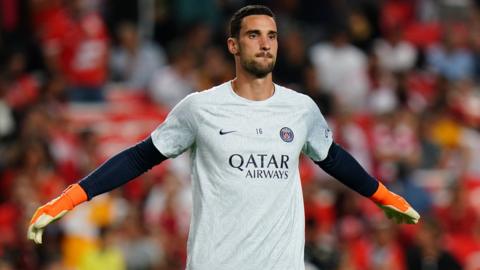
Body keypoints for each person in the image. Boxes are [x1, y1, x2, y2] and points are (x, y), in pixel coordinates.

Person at [27, 5, 420, 270]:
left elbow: (332, 158)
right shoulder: (200, 108)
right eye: (253, 35)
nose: (265, 43)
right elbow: (139, 157)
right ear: (233, 45)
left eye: (272, 35)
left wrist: (383, 196)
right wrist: (72, 196)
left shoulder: (300, 109)